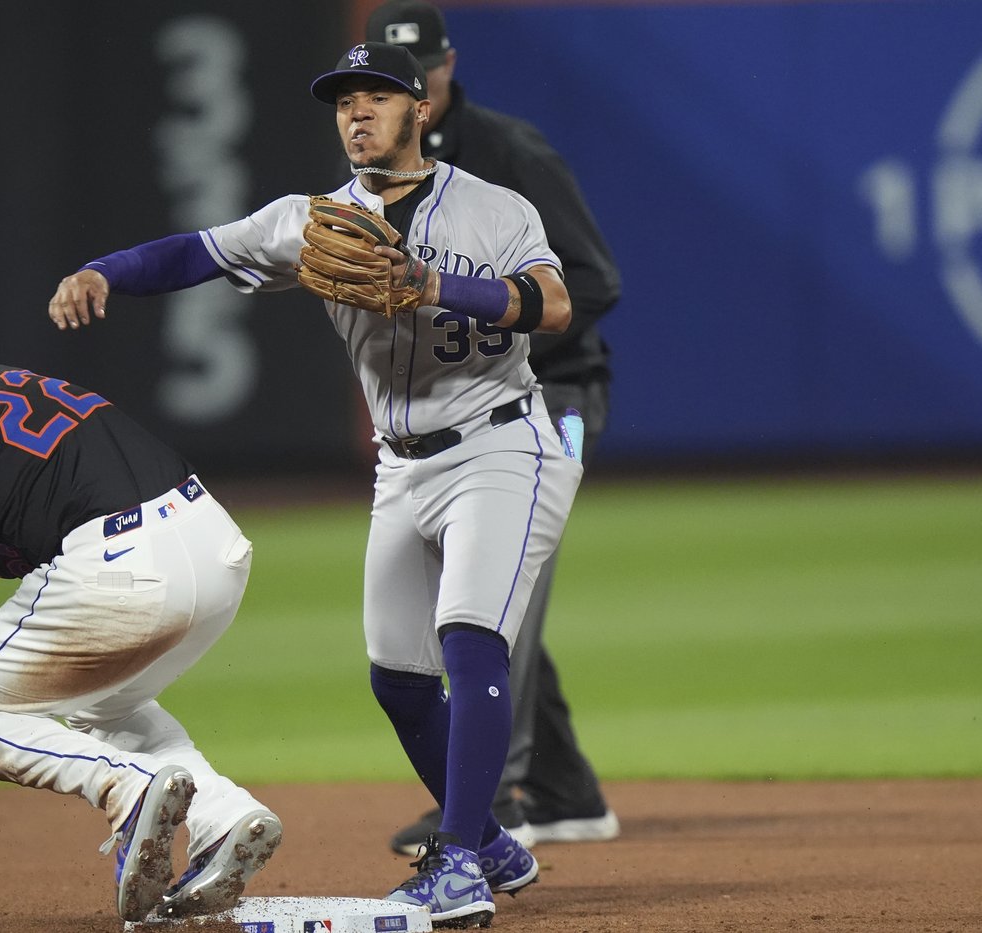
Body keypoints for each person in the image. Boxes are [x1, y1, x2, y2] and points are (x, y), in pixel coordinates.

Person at [47, 41, 583, 929]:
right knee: (398, 679)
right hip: (403, 462)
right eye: (344, 103)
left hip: (501, 446)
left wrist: (433, 284)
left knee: (467, 637)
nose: (356, 114)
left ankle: (458, 864)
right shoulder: (313, 219)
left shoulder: (493, 209)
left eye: (376, 98)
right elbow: (198, 252)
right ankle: (488, 837)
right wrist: (106, 270)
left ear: (419, 109)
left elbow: (553, 304)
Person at [0, 364, 282, 929]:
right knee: (106, 704)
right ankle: (221, 815)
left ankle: (128, 791)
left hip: (126, 563)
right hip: (215, 542)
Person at [366, 0, 623, 853]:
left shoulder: (508, 155)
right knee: (492, 589)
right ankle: (563, 787)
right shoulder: (389, 173)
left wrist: (502, 319)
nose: (418, 81)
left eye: (426, 67)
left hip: (556, 393)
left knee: (506, 592)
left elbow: (595, 282)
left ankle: (501, 792)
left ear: (446, 67)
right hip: (464, 407)